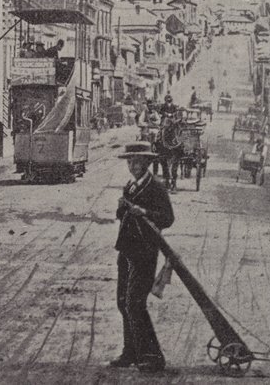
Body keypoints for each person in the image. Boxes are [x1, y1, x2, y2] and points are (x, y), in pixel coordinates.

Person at [110, 142, 175, 372]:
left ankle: (152, 357)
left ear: (147, 163)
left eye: (137, 161)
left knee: (134, 303)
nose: (133, 166)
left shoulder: (156, 188)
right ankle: (131, 353)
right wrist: (122, 208)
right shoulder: (130, 187)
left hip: (144, 253)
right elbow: (122, 217)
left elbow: (167, 218)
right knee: (122, 302)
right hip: (126, 251)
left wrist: (145, 212)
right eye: (130, 161)